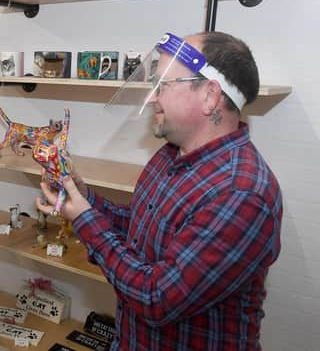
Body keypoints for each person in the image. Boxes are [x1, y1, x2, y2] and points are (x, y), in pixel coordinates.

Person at [37, 31, 283, 351]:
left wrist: (84, 219)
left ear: (210, 96)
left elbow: (157, 298)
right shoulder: (170, 153)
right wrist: (86, 198)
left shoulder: (241, 193)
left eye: (164, 84)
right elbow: (140, 231)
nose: (153, 96)